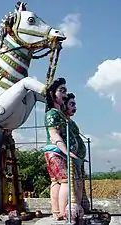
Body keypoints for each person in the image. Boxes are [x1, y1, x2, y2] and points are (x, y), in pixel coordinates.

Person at [42, 77, 84, 221]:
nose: (65, 94)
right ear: (52, 94)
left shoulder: (59, 114)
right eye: (62, 90)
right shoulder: (52, 114)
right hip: (56, 151)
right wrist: (67, 152)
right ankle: (63, 212)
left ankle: (57, 212)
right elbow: (54, 135)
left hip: (61, 152)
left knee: (56, 181)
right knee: (66, 181)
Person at [63, 93, 90, 212]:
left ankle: (80, 208)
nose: (75, 107)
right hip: (70, 158)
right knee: (74, 184)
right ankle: (73, 211)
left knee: (79, 184)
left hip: (78, 158)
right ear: (64, 105)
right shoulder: (62, 122)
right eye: (72, 104)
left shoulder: (72, 123)